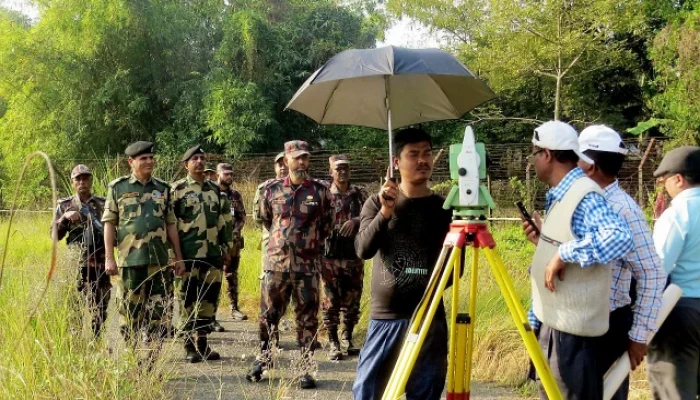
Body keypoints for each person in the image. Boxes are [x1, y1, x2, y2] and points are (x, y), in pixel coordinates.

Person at [521, 121, 633, 399]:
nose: (533, 161)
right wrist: (546, 243)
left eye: (535, 153)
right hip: (557, 324)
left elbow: (619, 237)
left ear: (546, 154)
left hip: (573, 334)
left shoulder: (583, 194)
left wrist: (563, 253)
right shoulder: (563, 194)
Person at [352, 128, 452, 400]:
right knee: (368, 393)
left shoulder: (445, 210)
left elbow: (454, 272)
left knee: (425, 392)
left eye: (427, 153)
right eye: (413, 154)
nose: (422, 160)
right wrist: (386, 211)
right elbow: (363, 249)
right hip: (387, 319)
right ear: (396, 162)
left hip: (430, 321)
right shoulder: (376, 203)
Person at [576, 125, 665, 399]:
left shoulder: (622, 210)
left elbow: (652, 274)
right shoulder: (582, 201)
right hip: (574, 323)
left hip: (604, 330)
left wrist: (639, 337)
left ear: (590, 165)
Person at [246, 141, 333, 389]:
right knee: (268, 316)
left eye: (305, 158)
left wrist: (307, 245)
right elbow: (264, 220)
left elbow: (327, 225)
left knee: (307, 319)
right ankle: (264, 360)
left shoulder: (320, 191)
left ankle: (305, 368)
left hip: (307, 267)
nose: (301, 162)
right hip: (276, 265)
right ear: (286, 161)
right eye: (296, 158)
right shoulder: (270, 190)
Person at [102, 141, 185, 352]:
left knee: (159, 314)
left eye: (151, 157)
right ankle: (133, 358)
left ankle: (152, 362)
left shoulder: (163, 188)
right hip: (131, 263)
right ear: (131, 162)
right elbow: (109, 223)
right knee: (130, 314)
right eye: (143, 158)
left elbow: (171, 224)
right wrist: (109, 257)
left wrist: (178, 256)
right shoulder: (118, 187)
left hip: (159, 262)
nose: (149, 161)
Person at [170, 145, 233, 363]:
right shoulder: (177, 190)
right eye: (194, 158)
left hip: (212, 254)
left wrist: (226, 247)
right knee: (186, 299)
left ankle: (203, 344)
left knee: (208, 300)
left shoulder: (214, 190)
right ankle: (188, 346)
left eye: (202, 158)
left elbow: (223, 220)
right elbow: (170, 224)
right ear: (185, 164)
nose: (199, 161)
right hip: (187, 255)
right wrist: (173, 255)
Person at [647, 146, 700, 400]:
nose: (663, 186)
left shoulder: (678, 214)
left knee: (674, 391)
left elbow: (657, 269)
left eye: (664, 180)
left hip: (682, 311)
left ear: (678, 179)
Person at [52, 164, 111, 337]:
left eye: (85, 178)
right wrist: (65, 218)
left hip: (99, 265)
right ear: (72, 182)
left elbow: (114, 232)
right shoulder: (65, 205)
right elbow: (54, 236)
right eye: (78, 179)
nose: (82, 182)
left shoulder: (103, 204)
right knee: (73, 310)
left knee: (100, 310)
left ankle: (96, 341)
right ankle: (76, 345)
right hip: (75, 266)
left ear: (91, 180)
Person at [320, 154, 369, 361]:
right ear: (331, 171)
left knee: (352, 301)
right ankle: (333, 341)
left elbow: (373, 215)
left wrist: (356, 221)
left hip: (353, 255)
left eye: (345, 168)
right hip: (330, 257)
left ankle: (347, 337)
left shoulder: (360, 194)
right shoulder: (324, 195)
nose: (342, 172)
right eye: (338, 168)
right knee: (330, 302)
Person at [251, 151, 287, 347]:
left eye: (285, 163)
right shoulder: (265, 188)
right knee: (270, 291)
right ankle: (271, 334)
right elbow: (259, 218)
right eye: (278, 164)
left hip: (293, 253)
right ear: (274, 167)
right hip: (271, 247)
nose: (282, 167)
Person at [216, 162, 248, 322]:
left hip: (234, 243)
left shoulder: (235, 195)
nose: (229, 177)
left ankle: (234, 308)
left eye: (231, 174)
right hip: (214, 244)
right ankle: (211, 314)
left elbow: (242, 217)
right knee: (213, 277)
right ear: (218, 174)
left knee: (232, 275)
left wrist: (234, 233)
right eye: (226, 174)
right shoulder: (211, 193)